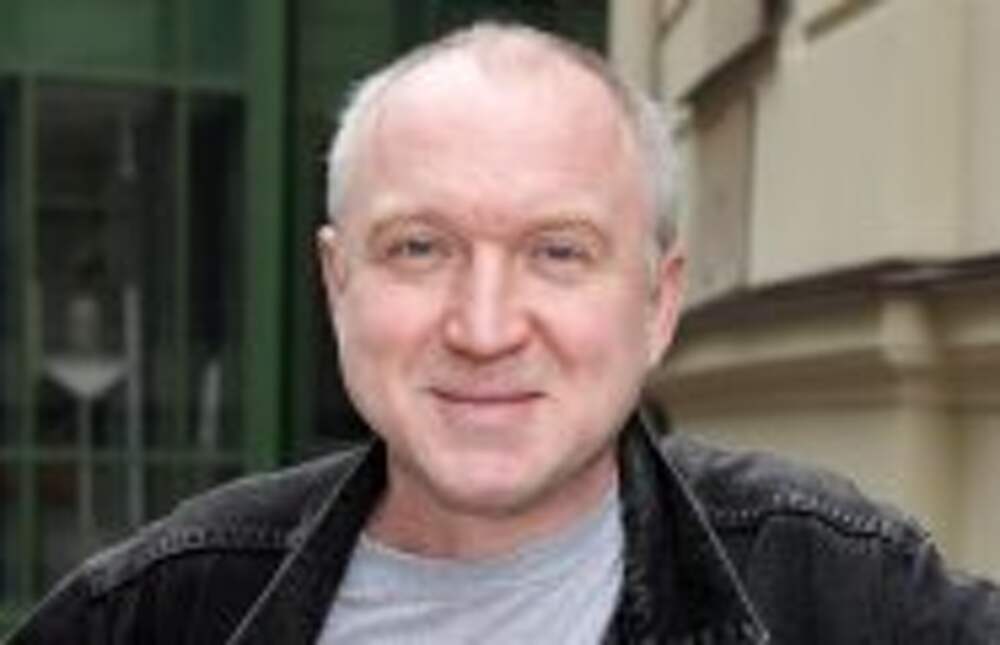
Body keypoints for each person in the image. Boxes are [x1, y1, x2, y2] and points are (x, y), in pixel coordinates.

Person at [10, 22, 1000, 645]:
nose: (483, 328)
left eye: (558, 252)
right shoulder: (161, 607)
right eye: (419, 248)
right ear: (337, 282)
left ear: (657, 303)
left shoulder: (831, 585)